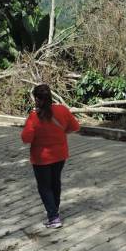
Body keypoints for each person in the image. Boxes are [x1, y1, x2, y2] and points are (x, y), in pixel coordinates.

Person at [21, 84, 80, 228]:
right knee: (55, 183)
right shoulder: (62, 110)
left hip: (41, 159)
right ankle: (55, 210)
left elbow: (26, 138)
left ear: (37, 99)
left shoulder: (34, 116)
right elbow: (75, 127)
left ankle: (53, 218)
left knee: (44, 187)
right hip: (60, 155)